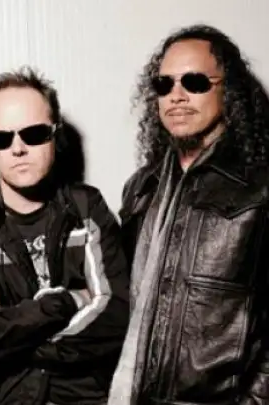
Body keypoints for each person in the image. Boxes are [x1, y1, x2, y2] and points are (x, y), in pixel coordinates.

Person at [0, 66, 130, 405]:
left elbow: (115, 316)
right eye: (0, 138)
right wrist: (70, 301)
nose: (17, 149)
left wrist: (11, 330)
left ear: (56, 135)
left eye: (34, 134)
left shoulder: (86, 208)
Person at [110, 24, 269, 404]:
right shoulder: (141, 189)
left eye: (194, 82)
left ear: (228, 91)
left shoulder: (260, 189)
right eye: (164, 85)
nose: (176, 96)